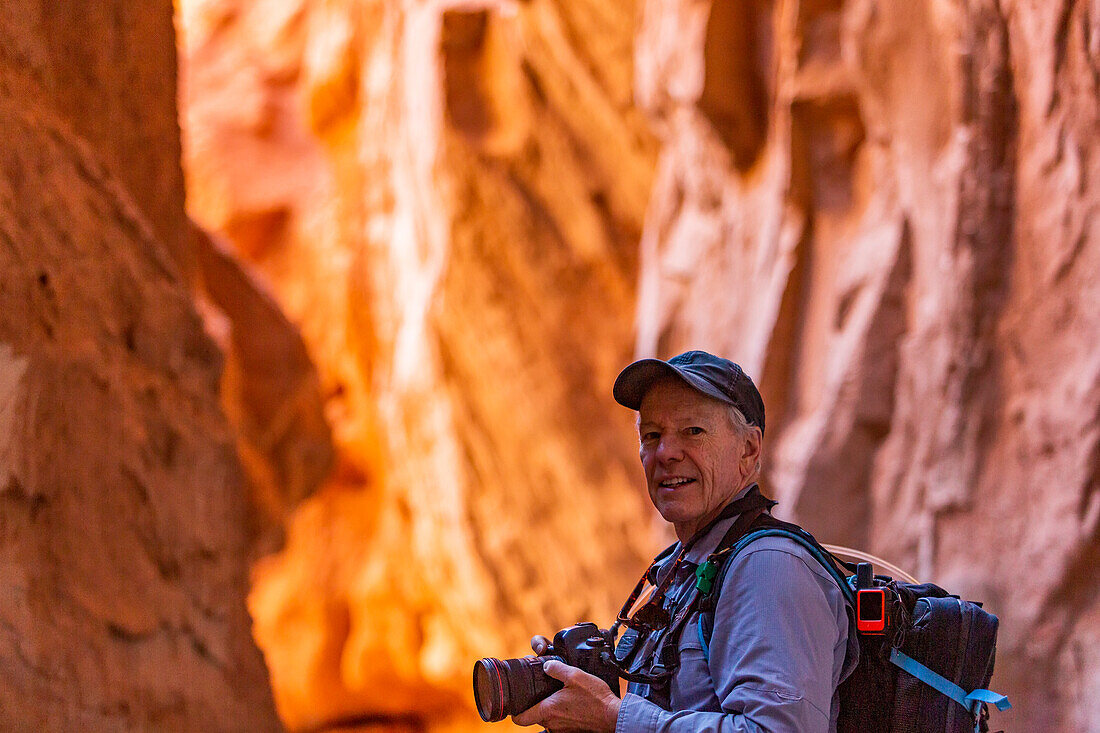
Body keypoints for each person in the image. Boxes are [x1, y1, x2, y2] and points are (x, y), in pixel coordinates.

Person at [512, 350, 857, 732]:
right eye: (652, 435)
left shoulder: (769, 567)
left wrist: (613, 717)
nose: (666, 453)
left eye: (693, 431)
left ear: (749, 449)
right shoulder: (681, 569)